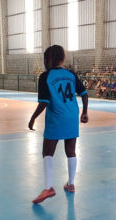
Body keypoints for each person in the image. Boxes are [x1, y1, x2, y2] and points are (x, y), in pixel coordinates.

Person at [29, 45, 89, 204]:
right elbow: (84, 93)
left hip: (56, 118)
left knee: (47, 152)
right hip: (71, 117)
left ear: (47, 59)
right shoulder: (71, 74)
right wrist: (85, 112)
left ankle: (48, 187)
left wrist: (33, 118)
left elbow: (43, 103)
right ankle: (70, 184)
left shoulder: (45, 77)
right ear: (62, 58)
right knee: (71, 151)